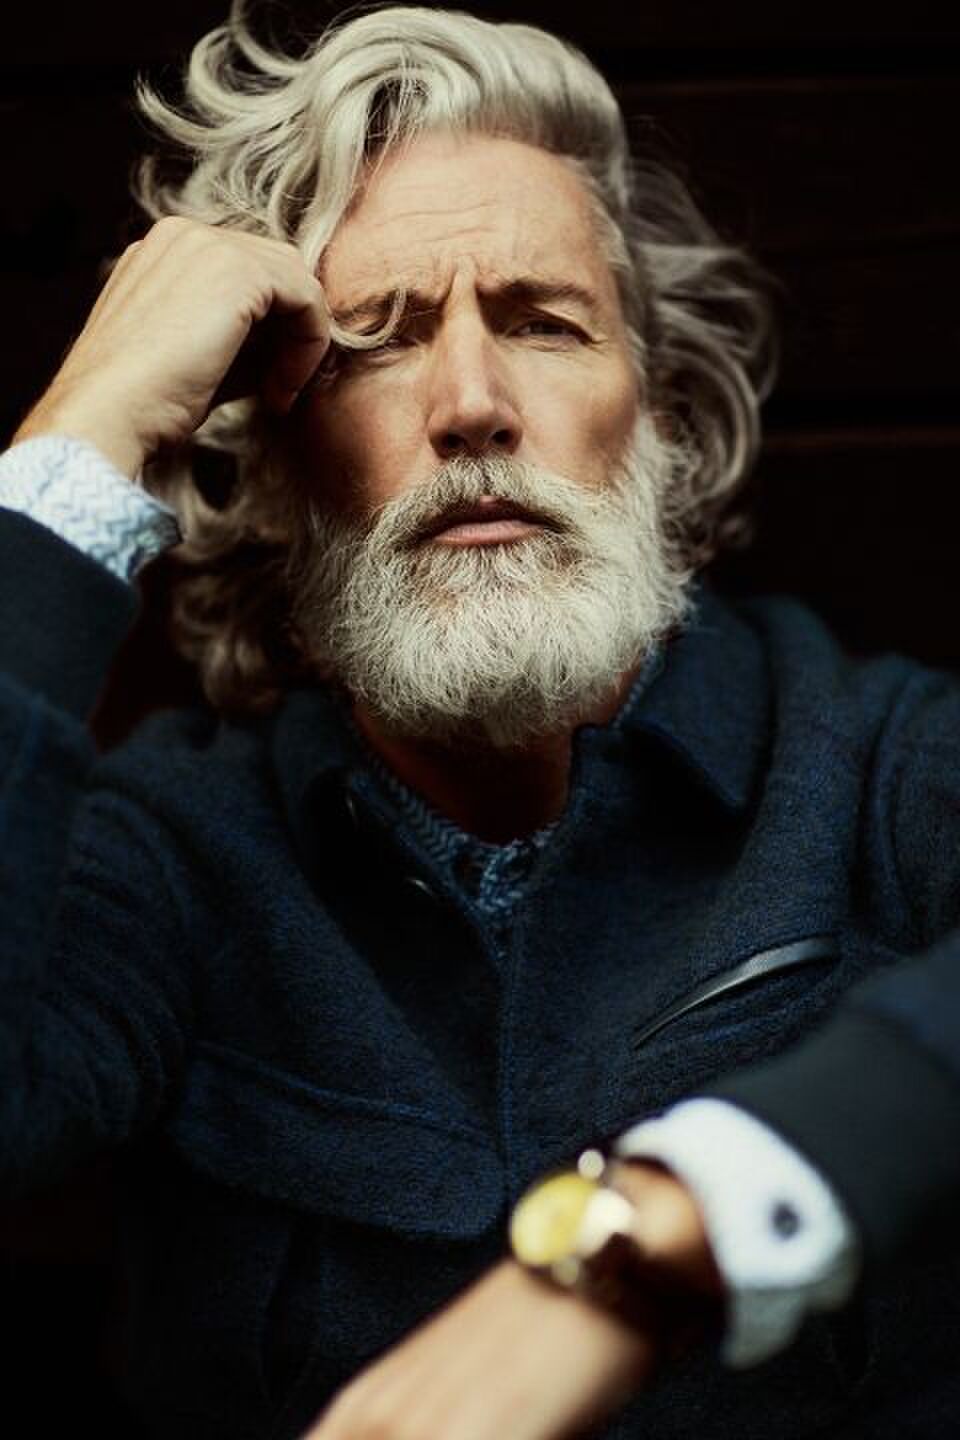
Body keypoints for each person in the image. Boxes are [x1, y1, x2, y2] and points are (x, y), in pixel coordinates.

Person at [1, 4, 958, 1437]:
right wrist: (75, 448)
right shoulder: (170, 854)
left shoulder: (884, 767)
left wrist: (675, 1227)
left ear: (663, 423)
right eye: (374, 345)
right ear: (275, 474)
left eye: (542, 323)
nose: (471, 404)